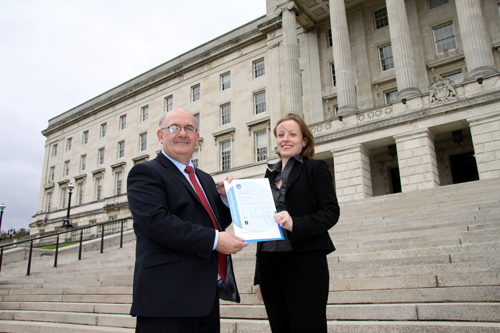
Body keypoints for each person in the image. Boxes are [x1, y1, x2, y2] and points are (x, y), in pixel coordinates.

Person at [127, 108, 248, 333]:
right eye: (174, 127)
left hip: (205, 300)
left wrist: (225, 200)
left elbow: (212, 221)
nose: (182, 133)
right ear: (161, 135)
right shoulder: (145, 172)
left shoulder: (203, 178)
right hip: (166, 302)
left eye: (189, 129)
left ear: (197, 138)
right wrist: (214, 240)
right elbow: (157, 223)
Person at [254, 113, 340, 333]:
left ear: (304, 141)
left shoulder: (315, 168)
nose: (285, 138)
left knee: (307, 326)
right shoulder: (269, 175)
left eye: (292, 134)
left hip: (304, 261)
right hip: (270, 264)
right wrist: (258, 276)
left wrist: (296, 224)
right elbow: (262, 226)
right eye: (281, 134)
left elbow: (331, 212)